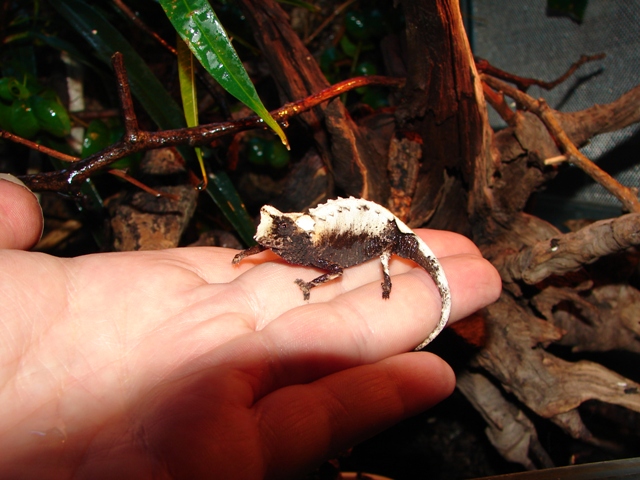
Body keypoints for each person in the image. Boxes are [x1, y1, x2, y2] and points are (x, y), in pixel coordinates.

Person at [0, 175, 501, 479]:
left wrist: (378, 267)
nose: (270, 247)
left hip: (376, 234)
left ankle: (394, 269)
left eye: (275, 242)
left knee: (382, 259)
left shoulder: (314, 243)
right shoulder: (290, 242)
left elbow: (342, 259)